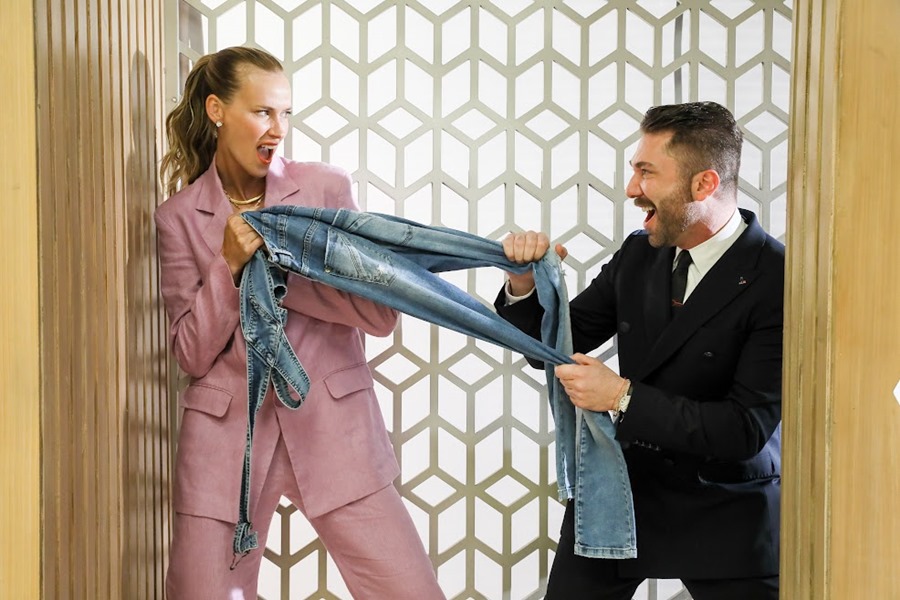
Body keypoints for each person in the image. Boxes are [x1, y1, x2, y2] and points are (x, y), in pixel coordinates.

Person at [155, 46, 445, 600]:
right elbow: (190, 352)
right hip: (225, 445)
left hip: (336, 429)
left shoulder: (325, 190)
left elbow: (379, 313)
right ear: (217, 111)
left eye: (285, 114)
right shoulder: (178, 219)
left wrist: (285, 267)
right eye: (263, 112)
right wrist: (230, 266)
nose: (278, 129)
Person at [497, 101, 783, 600]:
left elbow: (744, 430)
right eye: (634, 169)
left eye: (646, 172)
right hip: (623, 493)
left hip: (726, 507)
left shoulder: (776, 276)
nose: (631, 188)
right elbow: (554, 347)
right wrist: (525, 283)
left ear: (704, 185)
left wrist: (622, 397)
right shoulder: (638, 253)